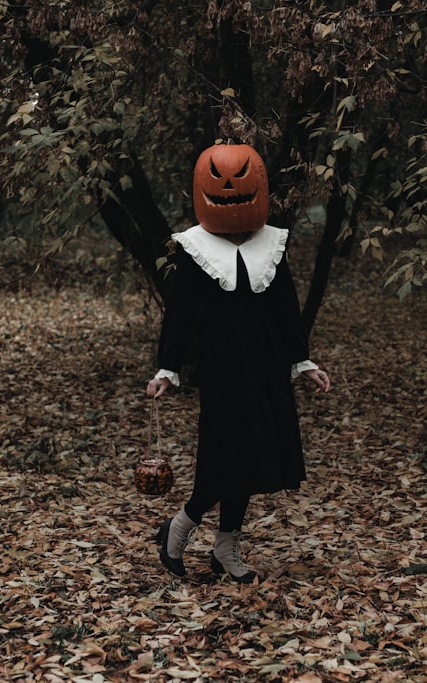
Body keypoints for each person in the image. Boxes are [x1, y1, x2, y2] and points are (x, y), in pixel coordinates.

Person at [145, 143, 330, 584]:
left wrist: (302, 361)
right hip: (223, 368)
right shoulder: (196, 248)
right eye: (220, 180)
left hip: (266, 367)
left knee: (253, 458)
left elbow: (286, 308)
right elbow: (181, 313)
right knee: (223, 457)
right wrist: (166, 368)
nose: (230, 188)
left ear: (259, 186)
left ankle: (226, 547)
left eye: (243, 178)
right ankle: (182, 525)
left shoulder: (272, 243)